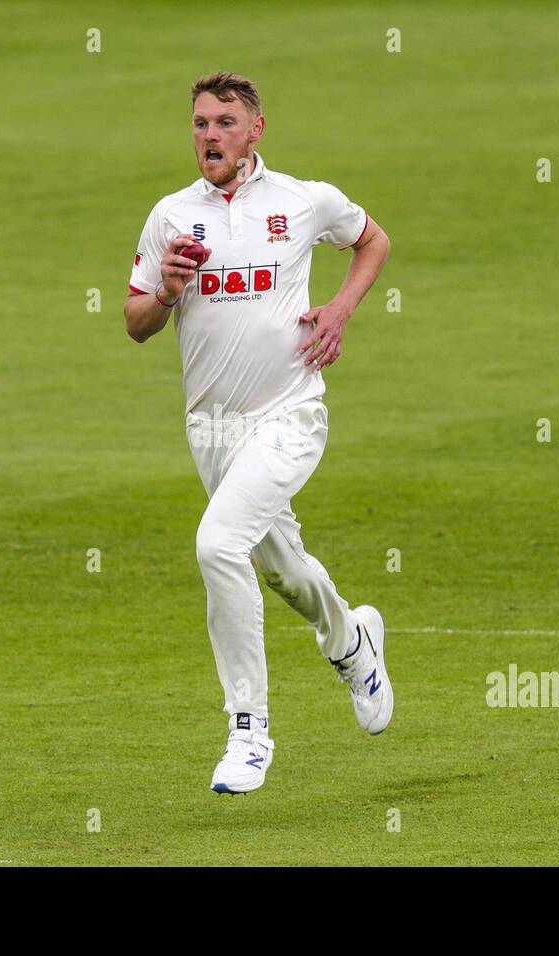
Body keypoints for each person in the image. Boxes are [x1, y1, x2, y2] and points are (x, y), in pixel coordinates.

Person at [123, 71, 393, 793]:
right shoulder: (172, 216)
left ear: (255, 131)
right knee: (279, 568)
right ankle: (352, 641)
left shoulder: (303, 202)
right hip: (211, 430)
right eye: (201, 123)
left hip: (290, 415)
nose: (209, 135)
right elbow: (136, 323)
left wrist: (339, 309)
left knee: (217, 545)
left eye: (224, 123)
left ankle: (250, 729)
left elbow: (372, 241)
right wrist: (168, 292)